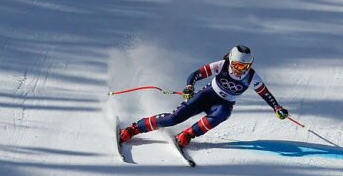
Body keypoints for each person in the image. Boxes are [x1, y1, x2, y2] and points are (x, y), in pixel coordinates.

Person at [119, 45, 289, 147]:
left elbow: (265, 93)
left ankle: (186, 135)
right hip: (207, 95)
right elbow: (196, 74)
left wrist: (277, 107)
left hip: (223, 104)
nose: (239, 69)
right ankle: (134, 128)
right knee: (174, 118)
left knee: (223, 114)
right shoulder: (222, 66)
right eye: (237, 64)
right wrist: (189, 87)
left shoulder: (252, 77)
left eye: (244, 66)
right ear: (231, 60)